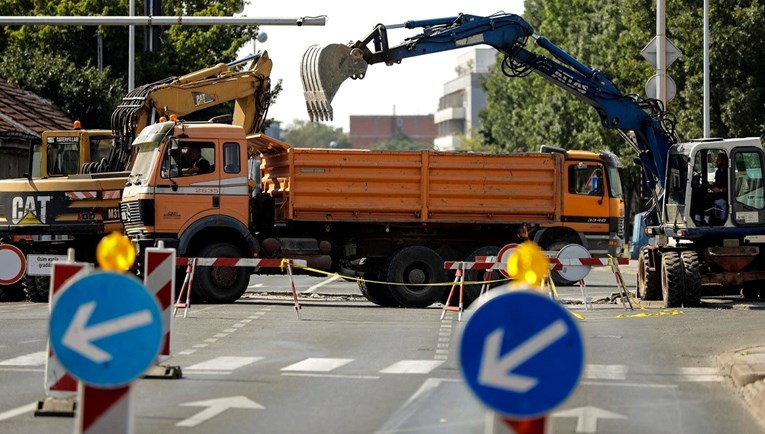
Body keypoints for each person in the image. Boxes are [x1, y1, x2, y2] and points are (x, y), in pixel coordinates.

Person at [704, 152, 728, 224]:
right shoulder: (718, 172)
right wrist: (710, 185)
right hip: (717, 193)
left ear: (724, 161)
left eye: (718, 160)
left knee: (708, 197)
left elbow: (729, 186)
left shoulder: (728, 172)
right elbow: (717, 183)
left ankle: (706, 220)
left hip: (725, 195)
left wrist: (720, 190)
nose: (716, 161)